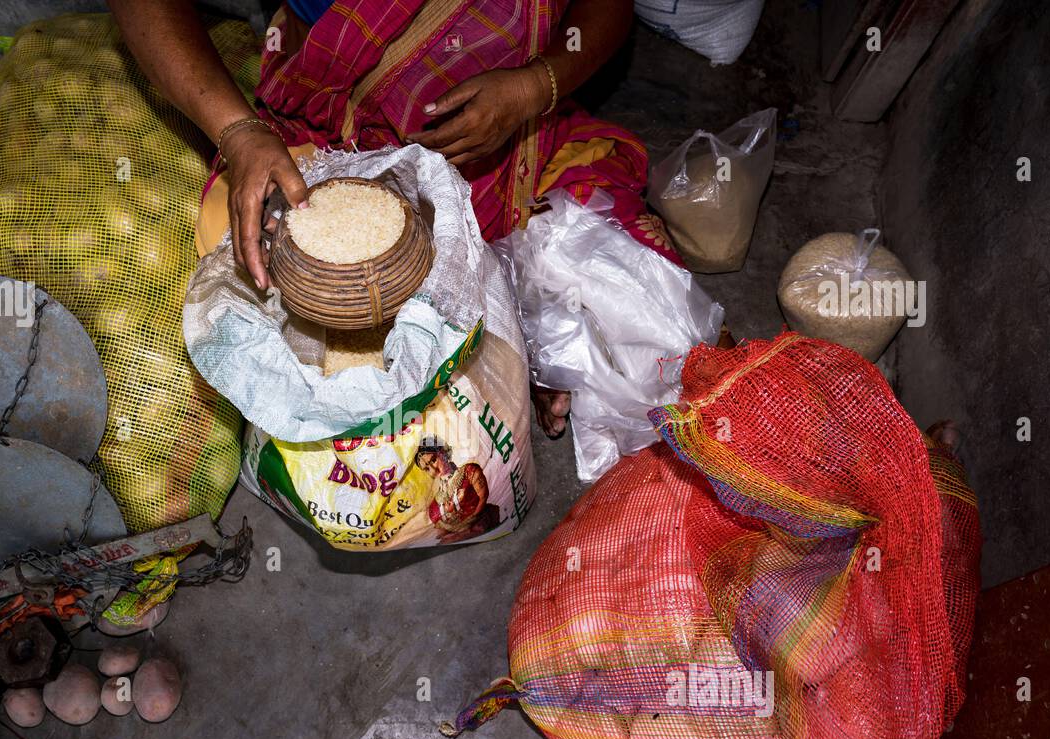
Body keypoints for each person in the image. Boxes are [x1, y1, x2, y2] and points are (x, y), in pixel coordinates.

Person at [110, 0, 680, 438]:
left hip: (510, 130)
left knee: (633, 292)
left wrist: (536, 86)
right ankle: (518, 341)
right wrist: (237, 131)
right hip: (336, 118)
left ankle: (531, 343)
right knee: (241, 252)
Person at [414, 437, 499, 542]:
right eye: (426, 469)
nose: (433, 470)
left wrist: (465, 531)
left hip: (482, 527)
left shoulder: (469, 472)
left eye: (433, 460)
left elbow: (483, 497)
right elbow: (441, 532)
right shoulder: (435, 504)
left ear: (443, 452)